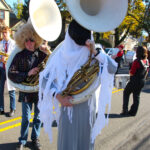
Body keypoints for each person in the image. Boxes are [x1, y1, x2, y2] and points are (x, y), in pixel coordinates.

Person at [38, 20, 117, 150]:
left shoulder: (94, 53)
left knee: (85, 144)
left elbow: (113, 68)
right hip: (68, 107)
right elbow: (45, 80)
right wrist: (58, 96)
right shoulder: (60, 54)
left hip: (88, 106)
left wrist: (96, 52)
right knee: (68, 145)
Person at [8, 22, 49, 150]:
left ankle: (35, 139)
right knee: (25, 118)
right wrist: (27, 73)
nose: (29, 43)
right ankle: (22, 140)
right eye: (26, 40)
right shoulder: (19, 56)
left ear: (35, 40)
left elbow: (53, 67)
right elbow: (11, 73)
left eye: (31, 40)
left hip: (39, 92)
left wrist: (48, 51)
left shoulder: (42, 54)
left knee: (37, 117)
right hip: (26, 92)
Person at [120, 46, 149, 116]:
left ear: (138, 52)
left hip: (134, 80)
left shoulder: (136, 61)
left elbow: (132, 72)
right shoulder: (147, 61)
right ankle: (133, 112)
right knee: (136, 96)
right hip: (142, 80)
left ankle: (125, 110)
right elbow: (147, 71)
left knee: (126, 92)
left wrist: (130, 70)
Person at [0, 26, 16, 116]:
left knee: (11, 89)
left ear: (10, 33)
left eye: (6, 32)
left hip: (10, 69)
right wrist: (1, 60)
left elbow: (16, 57)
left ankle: (12, 109)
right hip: (1, 68)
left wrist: (8, 59)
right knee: (0, 90)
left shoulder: (14, 44)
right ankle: (1, 108)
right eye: (3, 33)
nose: (4, 34)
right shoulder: (0, 43)